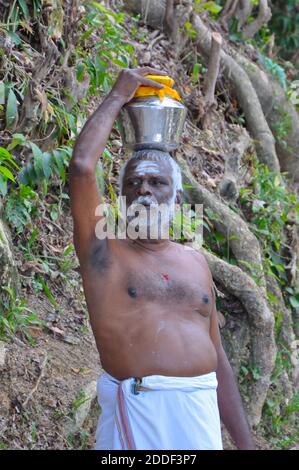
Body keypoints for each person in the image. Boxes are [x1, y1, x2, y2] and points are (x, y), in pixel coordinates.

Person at [69, 67, 255, 450]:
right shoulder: (104, 252)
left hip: (200, 416)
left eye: (157, 182)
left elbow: (217, 358)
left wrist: (246, 444)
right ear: (120, 198)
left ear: (178, 198)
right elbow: (82, 167)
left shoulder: (196, 263)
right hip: (140, 415)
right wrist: (119, 95)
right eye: (134, 183)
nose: (145, 191)